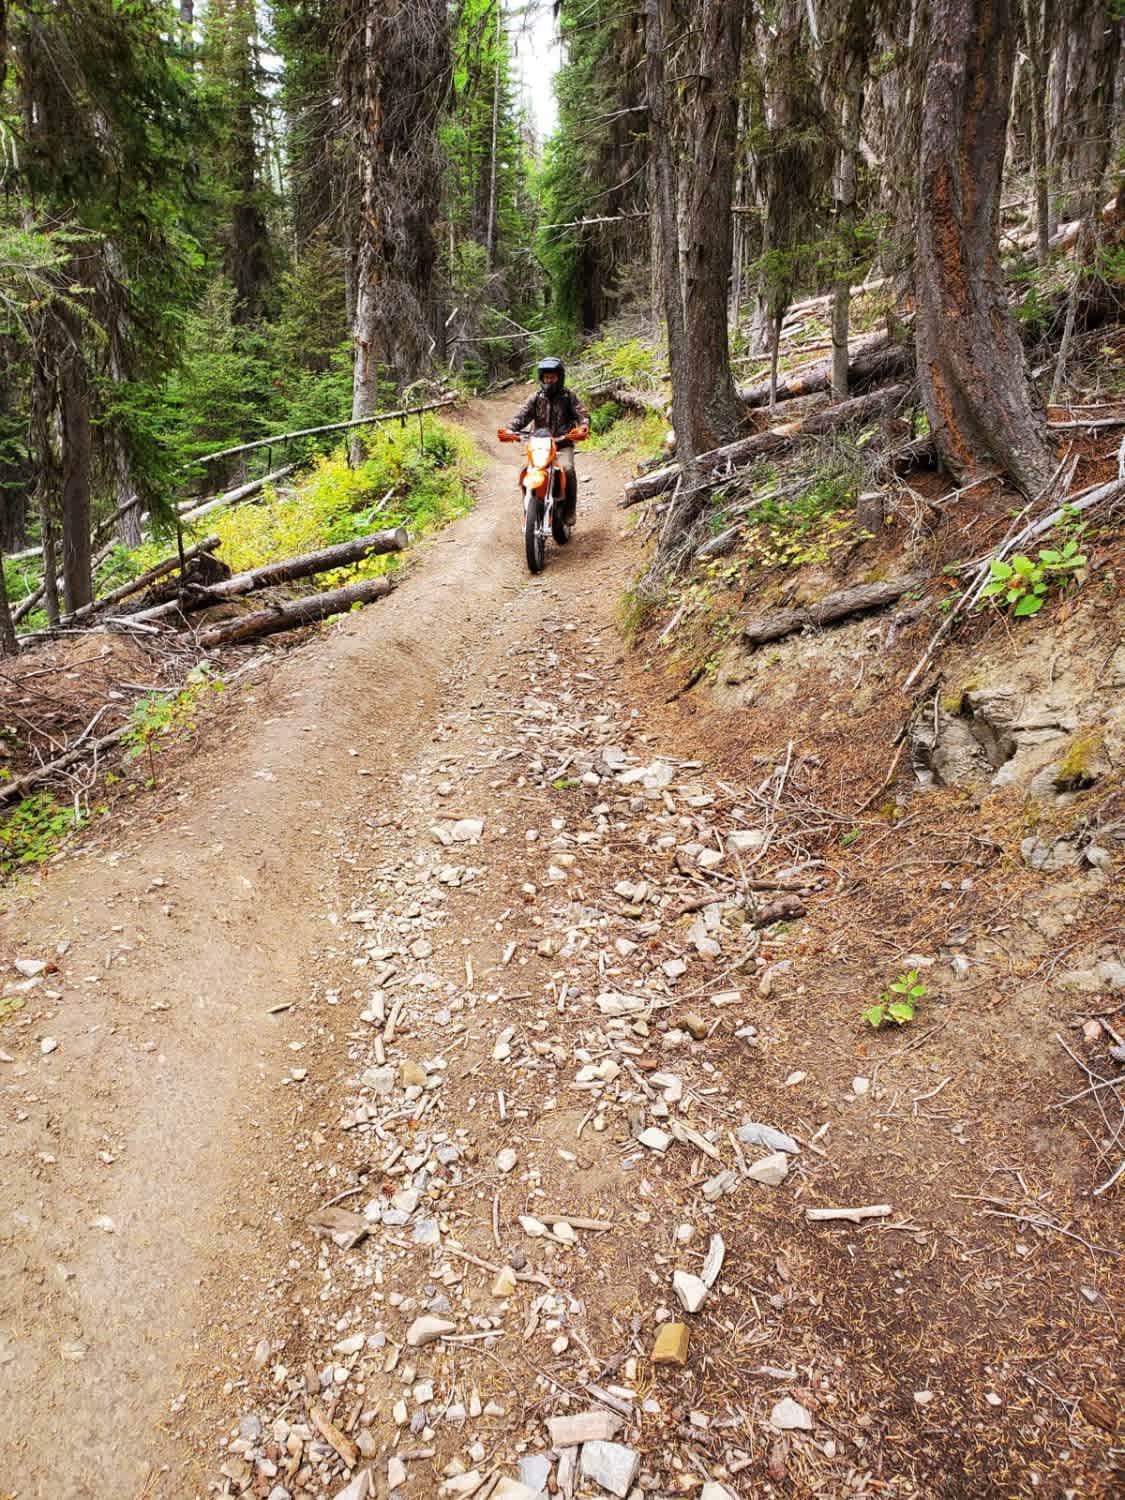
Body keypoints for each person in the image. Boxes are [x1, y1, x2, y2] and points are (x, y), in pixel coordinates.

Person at [503, 357, 590, 525]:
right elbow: (522, 416)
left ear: (559, 377)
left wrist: (583, 426)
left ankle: (569, 510)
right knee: (526, 471)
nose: (549, 380)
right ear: (541, 378)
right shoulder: (535, 397)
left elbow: (582, 414)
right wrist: (510, 429)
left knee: (568, 469)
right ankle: (529, 507)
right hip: (539, 445)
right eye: (546, 377)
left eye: (552, 377)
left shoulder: (569, 396)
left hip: (562, 443)